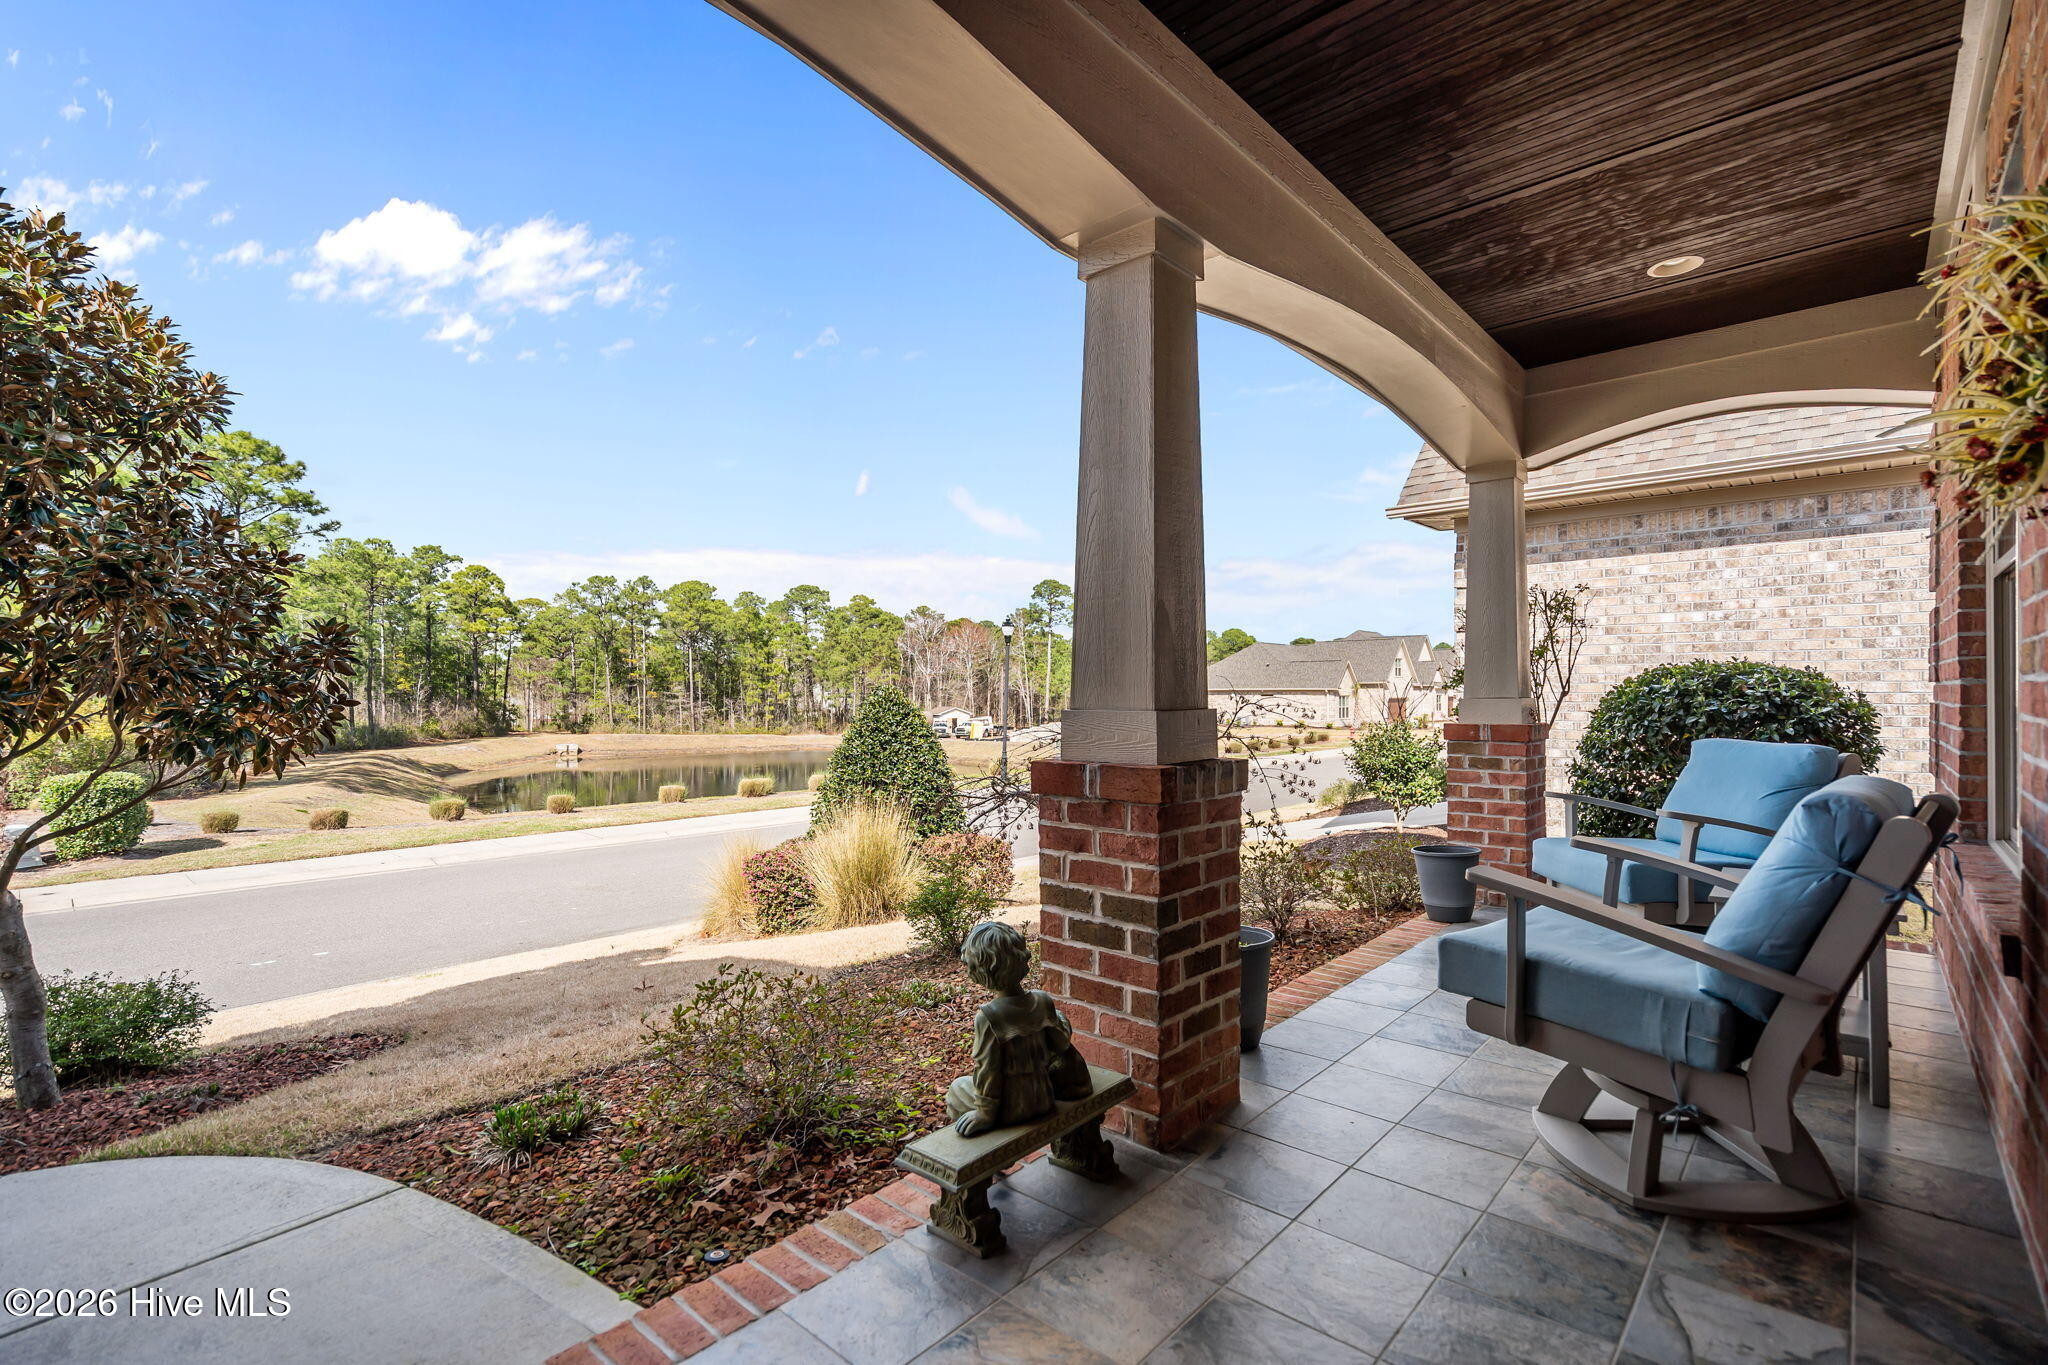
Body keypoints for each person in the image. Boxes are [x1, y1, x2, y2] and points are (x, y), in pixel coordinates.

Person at [945, 921, 1093, 1136]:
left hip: (1012, 1108)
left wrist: (985, 1114)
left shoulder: (989, 1016)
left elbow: (988, 1071)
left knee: (958, 1088)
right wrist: (1057, 1020)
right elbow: (1061, 1044)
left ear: (978, 969)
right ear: (1021, 959)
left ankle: (978, 1152)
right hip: (1043, 1097)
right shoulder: (1041, 1001)